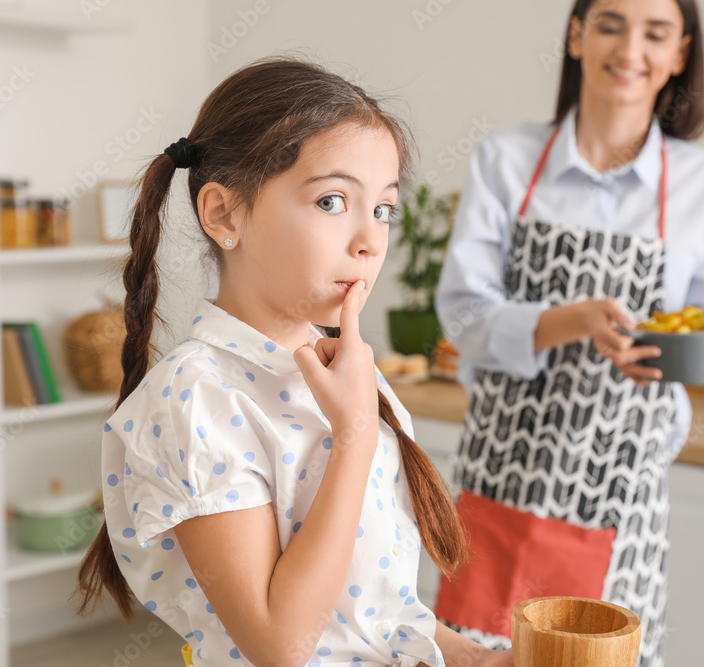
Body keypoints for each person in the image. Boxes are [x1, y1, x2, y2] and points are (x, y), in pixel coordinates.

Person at [72, 58, 514, 667]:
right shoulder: (194, 397)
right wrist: (355, 435)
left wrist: (479, 658)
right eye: (333, 200)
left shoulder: (345, 370)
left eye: (382, 207)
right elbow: (281, 644)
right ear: (223, 215)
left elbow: (372, 612)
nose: (370, 238)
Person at [431, 2, 704, 666]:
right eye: (610, 22)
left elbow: (698, 338)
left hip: (622, 487)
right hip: (505, 478)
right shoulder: (505, 159)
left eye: (656, 31)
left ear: (680, 53)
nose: (630, 48)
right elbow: (464, 318)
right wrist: (573, 320)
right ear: (577, 34)